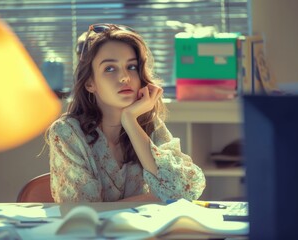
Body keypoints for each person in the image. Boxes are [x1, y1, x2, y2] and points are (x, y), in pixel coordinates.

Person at [47, 23, 206, 203]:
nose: (125, 77)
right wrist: (151, 199)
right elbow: (84, 212)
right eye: (110, 68)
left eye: (131, 67)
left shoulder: (149, 125)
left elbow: (186, 191)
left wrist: (130, 121)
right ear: (90, 83)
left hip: (146, 231)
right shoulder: (67, 133)